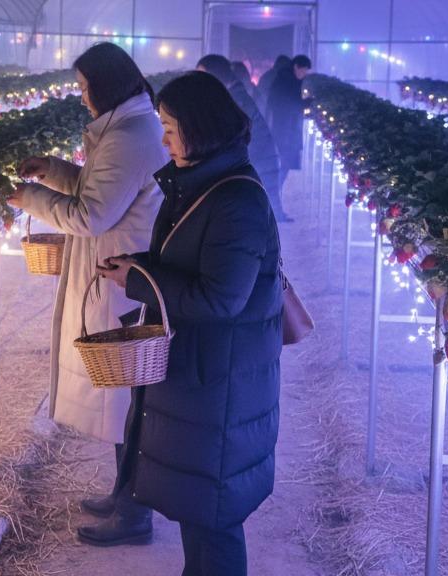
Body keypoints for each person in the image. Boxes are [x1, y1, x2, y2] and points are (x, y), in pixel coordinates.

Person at [97, 72, 282, 576]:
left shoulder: (236, 200)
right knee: (199, 511)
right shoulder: (200, 183)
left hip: (220, 384)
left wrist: (139, 282)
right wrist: (137, 266)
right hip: (201, 376)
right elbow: (189, 263)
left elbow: (221, 298)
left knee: (214, 522)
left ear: (199, 128)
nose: (164, 141)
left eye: (169, 128)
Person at [7, 42, 167, 547]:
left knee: (129, 399)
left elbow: (91, 214)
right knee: (124, 397)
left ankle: (135, 511)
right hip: (119, 271)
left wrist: (31, 198)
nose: (80, 97)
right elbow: (101, 188)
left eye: (83, 86)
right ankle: (125, 494)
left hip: (121, 278)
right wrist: (55, 171)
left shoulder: (129, 137)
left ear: (105, 84)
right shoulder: (126, 129)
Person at [197, 54, 288, 221]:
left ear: (216, 75)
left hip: (258, 166)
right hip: (259, 165)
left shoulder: (234, 100)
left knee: (256, 219)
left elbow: (231, 141)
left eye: (202, 75)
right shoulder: (232, 95)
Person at [266, 54, 312, 187]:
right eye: (303, 70)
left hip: (285, 129)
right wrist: (308, 102)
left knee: (282, 164)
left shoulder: (286, 79)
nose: (304, 74)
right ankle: (274, 191)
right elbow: (292, 104)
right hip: (285, 131)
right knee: (283, 164)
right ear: (296, 67)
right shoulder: (287, 81)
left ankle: (275, 190)